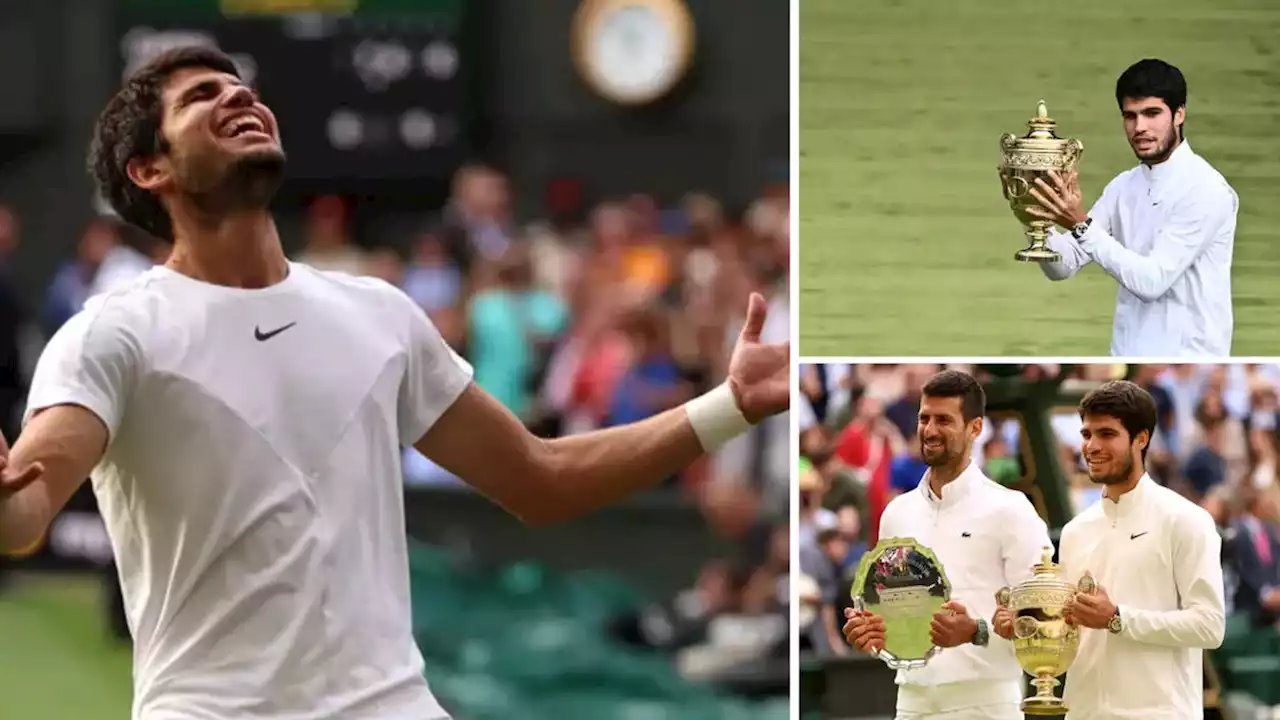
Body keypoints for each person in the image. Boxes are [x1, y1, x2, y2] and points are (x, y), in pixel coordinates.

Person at [0, 46, 789, 720]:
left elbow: (542, 481)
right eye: (202, 96)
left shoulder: (378, 314)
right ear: (151, 168)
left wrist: (730, 407)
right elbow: (27, 508)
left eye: (241, 87)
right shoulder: (114, 333)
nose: (239, 95)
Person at [843, 370, 1051, 720]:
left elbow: (1044, 617)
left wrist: (976, 631)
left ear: (975, 428)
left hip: (985, 704)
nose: (930, 429)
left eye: (944, 420)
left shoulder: (1011, 509)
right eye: (924, 418)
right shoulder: (896, 513)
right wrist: (870, 633)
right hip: (911, 702)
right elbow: (891, 616)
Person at [1021, 380, 1224, 719]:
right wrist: (1026, 623)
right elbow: (1073, 630)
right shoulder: (1074, 531)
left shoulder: (1186, 520)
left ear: (1141, 438)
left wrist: (1117, 618)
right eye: (1086, 435)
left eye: (1107, 434)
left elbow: (1209, 626)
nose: (1092, 446)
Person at [1024, 58, 1238, 357]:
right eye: (1130, 116)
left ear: (1179, 114)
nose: (1140, 127)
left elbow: (1152, 282)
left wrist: (1080, 224)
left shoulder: (1206, 190)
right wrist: (1032, 207)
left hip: (1188, 358)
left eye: (1152, 114)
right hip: (1126, 355)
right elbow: (1063, 265)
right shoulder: (1123, 186)